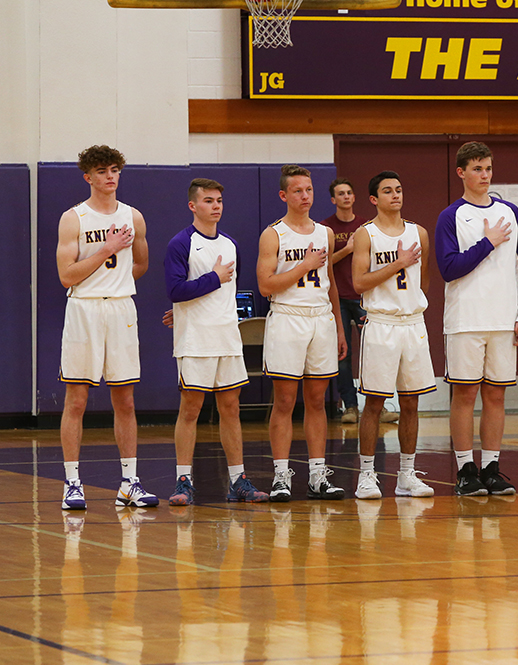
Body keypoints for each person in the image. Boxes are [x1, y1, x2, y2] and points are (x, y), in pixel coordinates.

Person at [55, 145, 157, 511]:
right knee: (77, 400)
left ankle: (129, 482)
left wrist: (114, 283)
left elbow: (140, 265)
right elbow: (66, 275)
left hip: (120, 310)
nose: (110, 176)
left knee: (126, 400)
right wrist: (106, 249)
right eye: (102, 171)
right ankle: (72, 483)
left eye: (114, 169)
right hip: (83, 310)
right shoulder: (74, 218)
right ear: (88, 177)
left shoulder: (134, 217)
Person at [435, 142, 518, 496]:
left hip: (504, 320)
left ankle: (491, 466)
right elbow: (448, 268)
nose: (484, 175)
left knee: (496, 397)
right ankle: (465, 469)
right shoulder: (451, 216)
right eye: (477, 169)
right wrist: (487, 243)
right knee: (464, 395)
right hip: (465, 320)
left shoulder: (510, 212)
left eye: (488, 168)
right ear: (461, 172)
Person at [164, 178, 269, 505]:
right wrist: (211, 280)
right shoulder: (180, 244)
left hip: (227, 338)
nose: (216, 205)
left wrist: (197, 299)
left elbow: (221, 295)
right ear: (193, 206)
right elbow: (175, 290)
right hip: (195, 340)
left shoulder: (231, 244)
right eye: (209, 200)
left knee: (231, 408)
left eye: (219, 200)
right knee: (191, 409)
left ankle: (238, 479)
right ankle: (184, 480)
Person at [256, 165, 348, 502]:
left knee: (317, 400)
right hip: (287, 317)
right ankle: (281, 476)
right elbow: (266, 286)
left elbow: (331, 284)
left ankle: (317, 475)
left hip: (320, 319)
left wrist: (339, 326)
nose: (305, 196)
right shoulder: (273, 234)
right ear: (284, 195)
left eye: (308, 190)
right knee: (284, 400)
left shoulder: (324, 233)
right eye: (297, 191)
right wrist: (303, 266)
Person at [350, 170, 437, 500]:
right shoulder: (365, 234)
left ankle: (406, 475)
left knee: (411, 403)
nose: (395, 195)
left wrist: (409, 300)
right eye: (388, 191)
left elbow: (423, 281)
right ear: (374, 199)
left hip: (413, 323)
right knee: (374, 403)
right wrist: (397, 263)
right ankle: (367, 475)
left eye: (398, 190)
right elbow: (359, 283)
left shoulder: (420, 233)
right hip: (381, 324)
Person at [320, 178, 399, 425]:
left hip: (365, 298)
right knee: (343, 355)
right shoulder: (326, 228)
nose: (346, 197)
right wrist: (347, 249)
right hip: (339, 299)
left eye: (349, 193)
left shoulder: (366, 228)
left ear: (355, 198)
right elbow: (321, 264)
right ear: (333, 199)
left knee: (374, 352)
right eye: (340, 193)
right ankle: (350, 406)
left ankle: (380, 404)